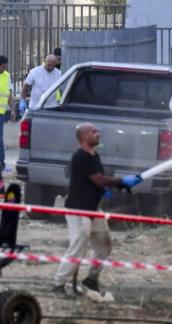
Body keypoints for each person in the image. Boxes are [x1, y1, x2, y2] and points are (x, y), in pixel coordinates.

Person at [53, 123, 142, 295]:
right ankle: (58, 283)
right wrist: (122, 180)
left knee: (104, 245)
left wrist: (112, 188)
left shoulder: (94, 156)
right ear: (85, 136)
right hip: (79, 211)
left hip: (94, 210)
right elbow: (99, 180)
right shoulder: (80, 157)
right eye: (94, 132)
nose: (98, 134)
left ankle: (91, 280)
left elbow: (97, 182)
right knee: (78, 247)